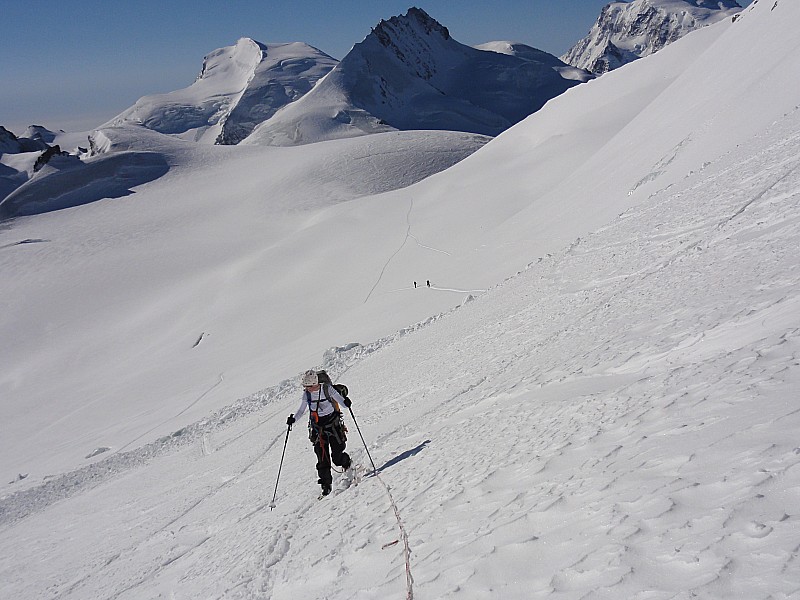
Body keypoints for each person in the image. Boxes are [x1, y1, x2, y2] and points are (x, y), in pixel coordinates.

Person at [287, 369, 352, 496]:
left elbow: (342, 403)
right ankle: (326, 485)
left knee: (337, 457)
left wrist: (346, 402)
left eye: (308, 386)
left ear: (314, 383)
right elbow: (301, 410)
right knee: (322, 458)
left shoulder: (327, 389)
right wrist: (293, 419)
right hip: (318, 428)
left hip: (333, 425)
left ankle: (346, 463)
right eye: (305, 386)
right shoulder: (307, 395)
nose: (306, 389)